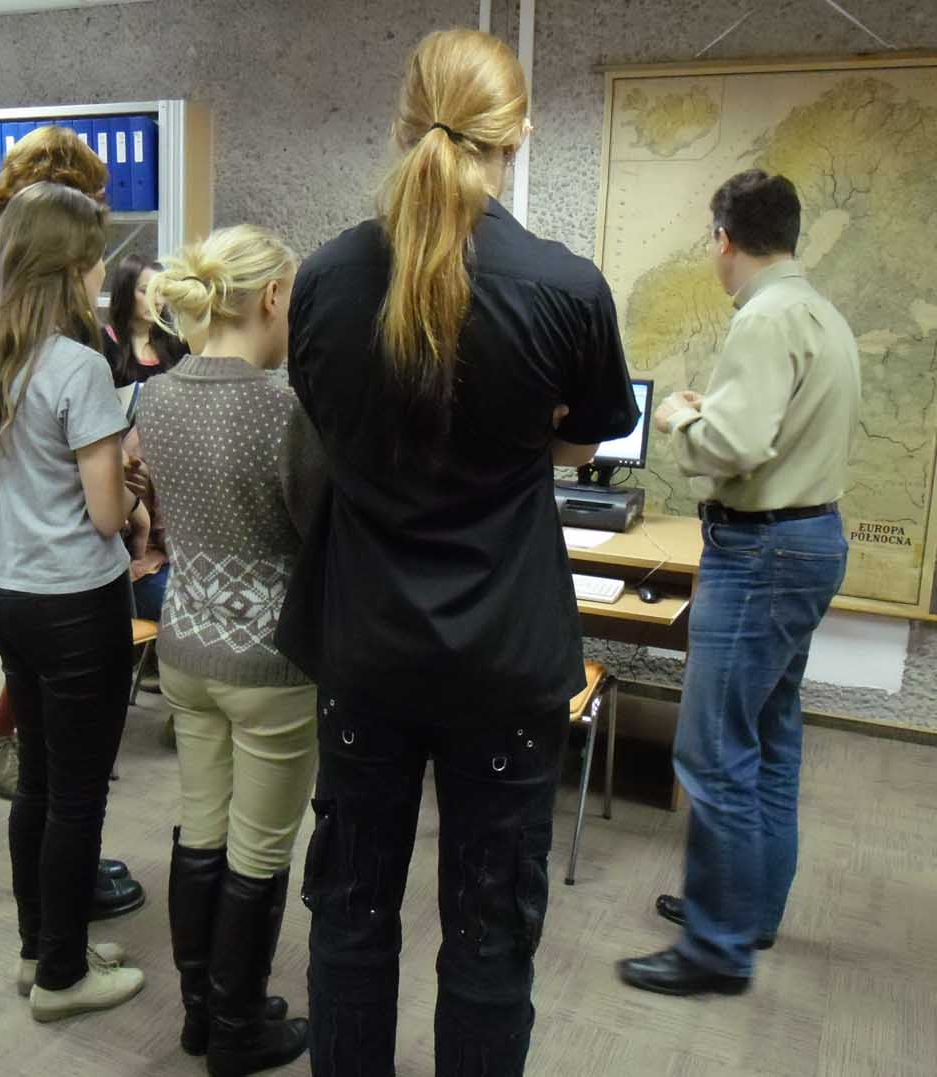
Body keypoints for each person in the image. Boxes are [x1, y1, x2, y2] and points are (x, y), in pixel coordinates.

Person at [274, 29, 639, 1075]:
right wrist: (530, 432)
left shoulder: (323, 279)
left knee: (350, 915)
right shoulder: (565, 287)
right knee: (488, 934)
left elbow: (329, 420)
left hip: (365, 647)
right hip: (503, 657)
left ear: (401, 124)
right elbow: (585, 438)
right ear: (518, 133)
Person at [618, 170, 860, 997]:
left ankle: (716, 949)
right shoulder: (820, 313)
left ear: (724, 238)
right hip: (809, 542)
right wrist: (713, 415)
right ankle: (746, 911)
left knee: (713, 749)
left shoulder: (763, 318)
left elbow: (734, 446)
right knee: (770, 736)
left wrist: (680, 416)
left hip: (761, 553)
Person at [0, 181, 148, 1022]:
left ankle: (40, 947)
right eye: (97, 257)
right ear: (73, 267)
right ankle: (64, 977)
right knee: (78, 793)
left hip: (5, 590)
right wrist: (133, 489)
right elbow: (107, 515)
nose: (103, 272)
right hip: (74, 600)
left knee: (38, 776)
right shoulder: (79, 366)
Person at [139, 225, 323, 1075]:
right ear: (273, 297)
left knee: (202, 827)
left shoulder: (154, 396)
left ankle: (200, 1012)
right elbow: (317, 531)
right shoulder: (285, 408)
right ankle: (239, 1026)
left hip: (184, 647)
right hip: (269, 663)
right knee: (260, 846)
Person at [105, 254, 186, 386]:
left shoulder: (176, 345)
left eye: (161, 292)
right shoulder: (103, 345)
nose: (157, 301)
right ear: (125, 291)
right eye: (146, 291)